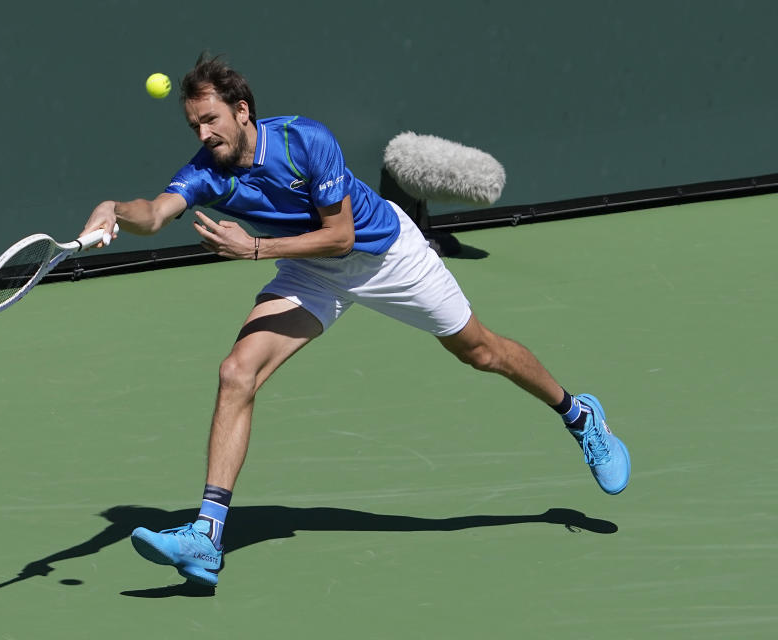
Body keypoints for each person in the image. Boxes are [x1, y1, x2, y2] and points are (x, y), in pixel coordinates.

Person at [80, 54, 630, 587]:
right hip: (310, 272)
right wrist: (114, 211)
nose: (203, 134)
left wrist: (255, 248)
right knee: (236, 373)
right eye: (194, 124)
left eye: (211, 120)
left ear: (242, 110)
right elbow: (153, 214)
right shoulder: (206, 172)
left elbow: (340, 234)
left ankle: (579, 415)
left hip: (385, 256)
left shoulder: (303, 140)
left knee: (479, 351)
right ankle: (207, 535)